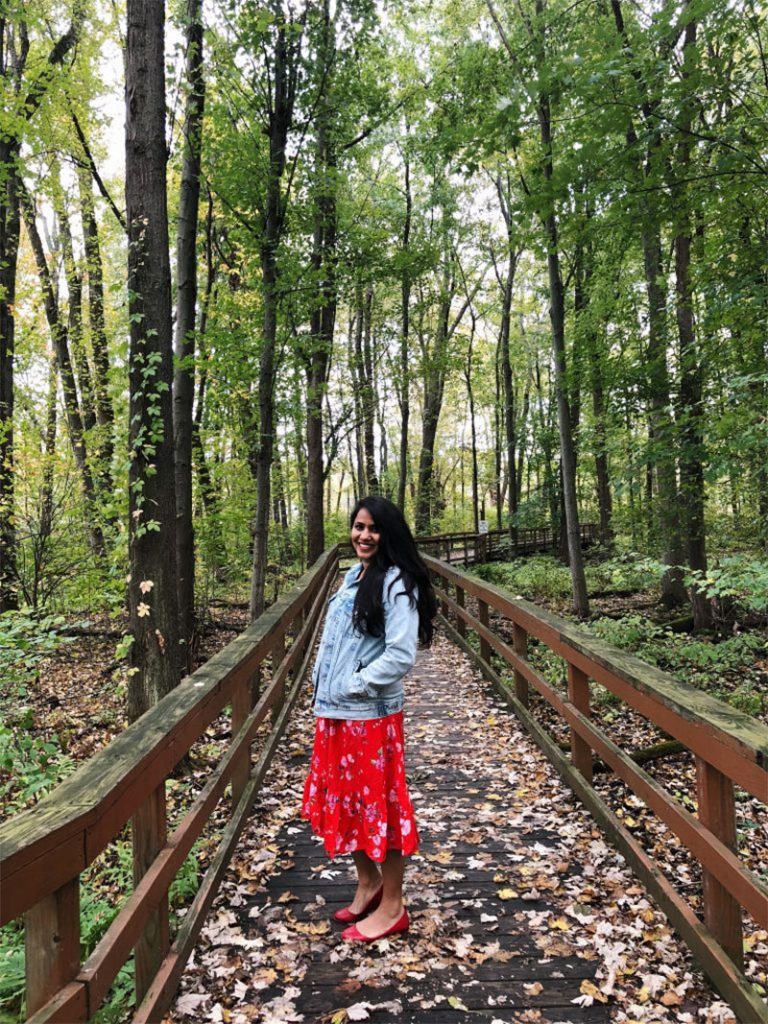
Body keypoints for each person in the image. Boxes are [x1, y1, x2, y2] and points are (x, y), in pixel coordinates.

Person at [301, 495, 437, 943]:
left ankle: (393, 905)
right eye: (358, 526)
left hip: (369, 715)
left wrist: (356, 683)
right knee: (346, 800)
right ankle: (368, 881)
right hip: (336, 712)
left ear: (389, 533)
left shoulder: (397, 582)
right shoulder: (352, 574)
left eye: (373, 529)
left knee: (382, 805)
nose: (363, 535)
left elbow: (401, 653)